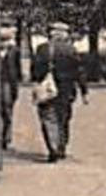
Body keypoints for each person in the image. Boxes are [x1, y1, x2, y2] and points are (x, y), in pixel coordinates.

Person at [30, 22, 87, 162]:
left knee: (48, 118)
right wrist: (84, 91)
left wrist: (40, 80)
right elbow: (79, 72)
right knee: (63, 119)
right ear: (64, 34)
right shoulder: (71, 50)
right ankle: (61, 146)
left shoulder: (41, 49)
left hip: (47, 90)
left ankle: (53, 147)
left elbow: (35, 71)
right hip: (66, 90)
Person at [0, 31, 21, 148]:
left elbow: (18, 70)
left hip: (8, 83)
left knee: (7, 110)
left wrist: (16, 86)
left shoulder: (15, 51)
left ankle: (6, 137)